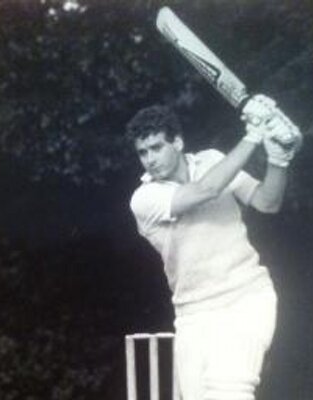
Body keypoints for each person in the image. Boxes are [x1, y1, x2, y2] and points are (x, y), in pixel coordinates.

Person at [126, 95, 302, 400]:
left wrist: (278, 161)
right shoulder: (144, 199)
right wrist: (254, 135)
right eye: (143, 152)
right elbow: (206, 190)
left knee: (229, 392)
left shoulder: (211, 160)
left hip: (246, 297)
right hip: (192, 315)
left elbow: (266, 202)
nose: (150, 158)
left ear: (178, 142)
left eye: (157, 147)